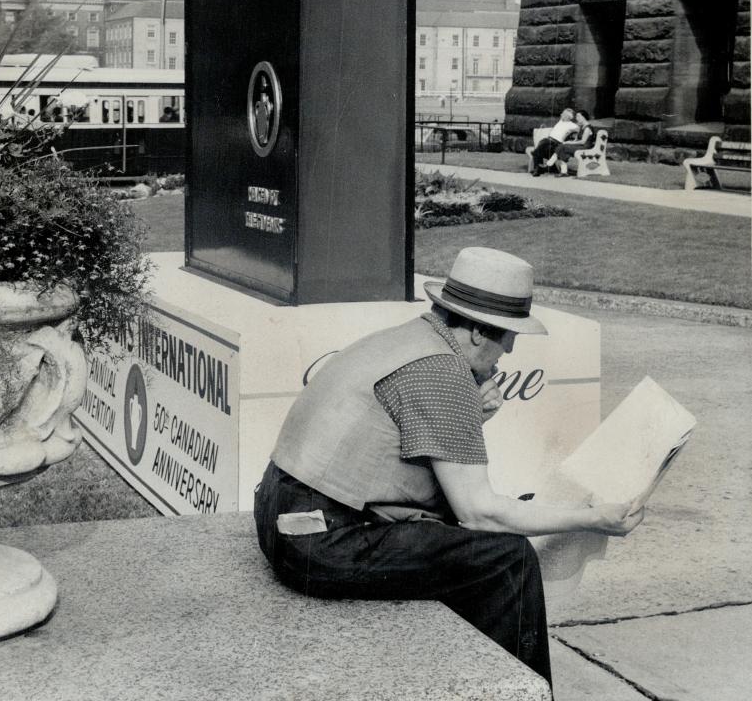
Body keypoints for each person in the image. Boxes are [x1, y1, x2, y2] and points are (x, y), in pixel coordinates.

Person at [254, 247, 644, 693]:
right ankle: (522, 692)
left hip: (283, 512)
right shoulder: (443, 372)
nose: (511, 349)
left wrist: (470, 416)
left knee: (489, 531)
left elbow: (396, 454)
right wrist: (594, 518)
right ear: (478, 331)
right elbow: (480, 513)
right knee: (507, 560)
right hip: (317, 540)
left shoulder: (415, 340)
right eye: (507, 335)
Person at [529, 108, 578, 175]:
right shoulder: (561, 121)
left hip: (556, 143)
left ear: (568, 117)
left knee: (539, 149)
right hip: (548, 140)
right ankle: (541, 168)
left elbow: (579, 129)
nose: (561, 114)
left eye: (563, 114)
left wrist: (571, 131)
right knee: (542, 146)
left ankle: (538, 169)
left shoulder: (571, 124)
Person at [551, 109, 594, 175]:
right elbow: (576, 140)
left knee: (563, 147)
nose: (577, 118)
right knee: (563, 146)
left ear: (583, 117)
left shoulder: (587, 128)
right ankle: (563, 171)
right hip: (581, 146)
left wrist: (569, 143)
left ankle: (554, 158)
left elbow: (583, 141)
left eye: (578, 116)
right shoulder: (582, 127)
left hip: (585, 147)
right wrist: (569, 141)